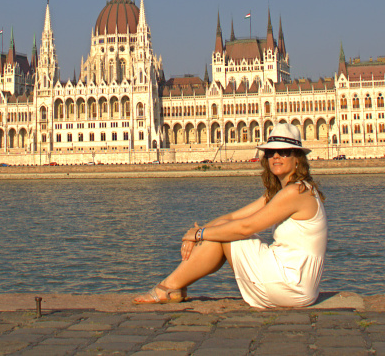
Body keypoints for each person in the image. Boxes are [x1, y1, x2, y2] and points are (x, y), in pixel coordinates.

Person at [133, 122, 327, 308]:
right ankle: (172, 286)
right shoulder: (288, 191)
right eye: (270, 152)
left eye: (283, 152)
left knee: (226, 235)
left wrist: (200, 235)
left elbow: (245, 227)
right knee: (222, 230)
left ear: (297, 158)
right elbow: (234, 218)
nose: (276, 156)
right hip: (299, 286)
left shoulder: (295, 192)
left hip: (289, 284)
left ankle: (168, 286)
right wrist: (196, 231)